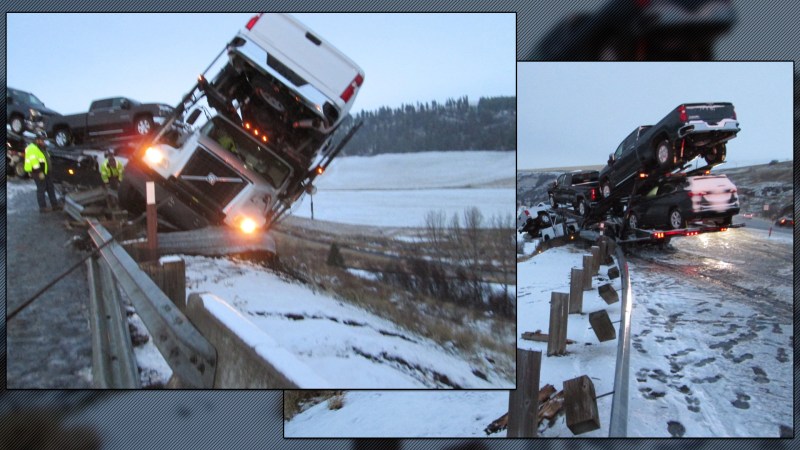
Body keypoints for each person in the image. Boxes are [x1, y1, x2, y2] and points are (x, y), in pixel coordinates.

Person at [24, 135, 61, 212]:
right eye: (42, 140)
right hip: (38, 172)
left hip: (46, 172)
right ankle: (42, 207)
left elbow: (45, 159)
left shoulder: (41, 148)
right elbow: (34, 162)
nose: (43, 142)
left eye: (43, 140)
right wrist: (39, 172)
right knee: (41, 189)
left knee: (50, 187)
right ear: (37, 140)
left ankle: (55, 205)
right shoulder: (32, 148)